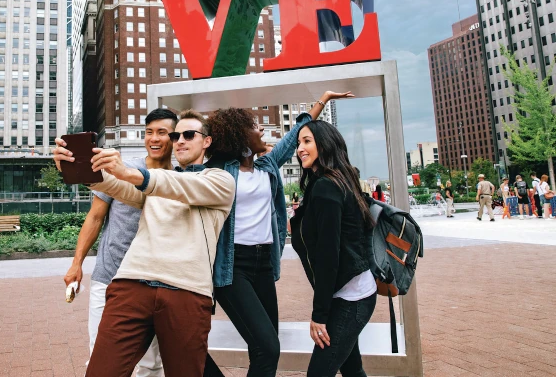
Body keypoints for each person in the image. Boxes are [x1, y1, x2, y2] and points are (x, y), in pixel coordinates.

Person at [202, 91, 352, 377]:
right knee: (267, 346)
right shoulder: (219, 170)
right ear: (241, 137)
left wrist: (323, 99)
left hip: (263, 264)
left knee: (267, 348)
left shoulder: (267, 166)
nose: (261, 130)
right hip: (232, 268)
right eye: (255, 127)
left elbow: (296, 133)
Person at [79, 110, 236, 377]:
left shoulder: (220, 180)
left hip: (186, 290)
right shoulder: (155, 184)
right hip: (132, 283)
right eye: (176, 136)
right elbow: (120, 188)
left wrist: (130, 173)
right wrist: (80, 167)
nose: (180, 141)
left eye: (189, 135)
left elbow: (176, 185)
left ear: (206, 141)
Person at [55, 109, 178, 376]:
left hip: (154, 282)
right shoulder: (125, 169)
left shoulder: (180, 178)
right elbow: (95, 217)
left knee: (149, 365)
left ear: (175, 136)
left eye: (162, 133)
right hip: (109, 277)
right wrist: (76, 264)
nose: (154, 139)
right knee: (100, 357)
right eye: (149, 133)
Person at [290, 121, 376, 377]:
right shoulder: (336, 181)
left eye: (307, 141)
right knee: (352, 369)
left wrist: (320, 315)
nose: (300, 149)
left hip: (351, 297)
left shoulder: (327, 186)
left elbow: (329, 256)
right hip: (352, 291)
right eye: (298, 143)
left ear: (324, 144)